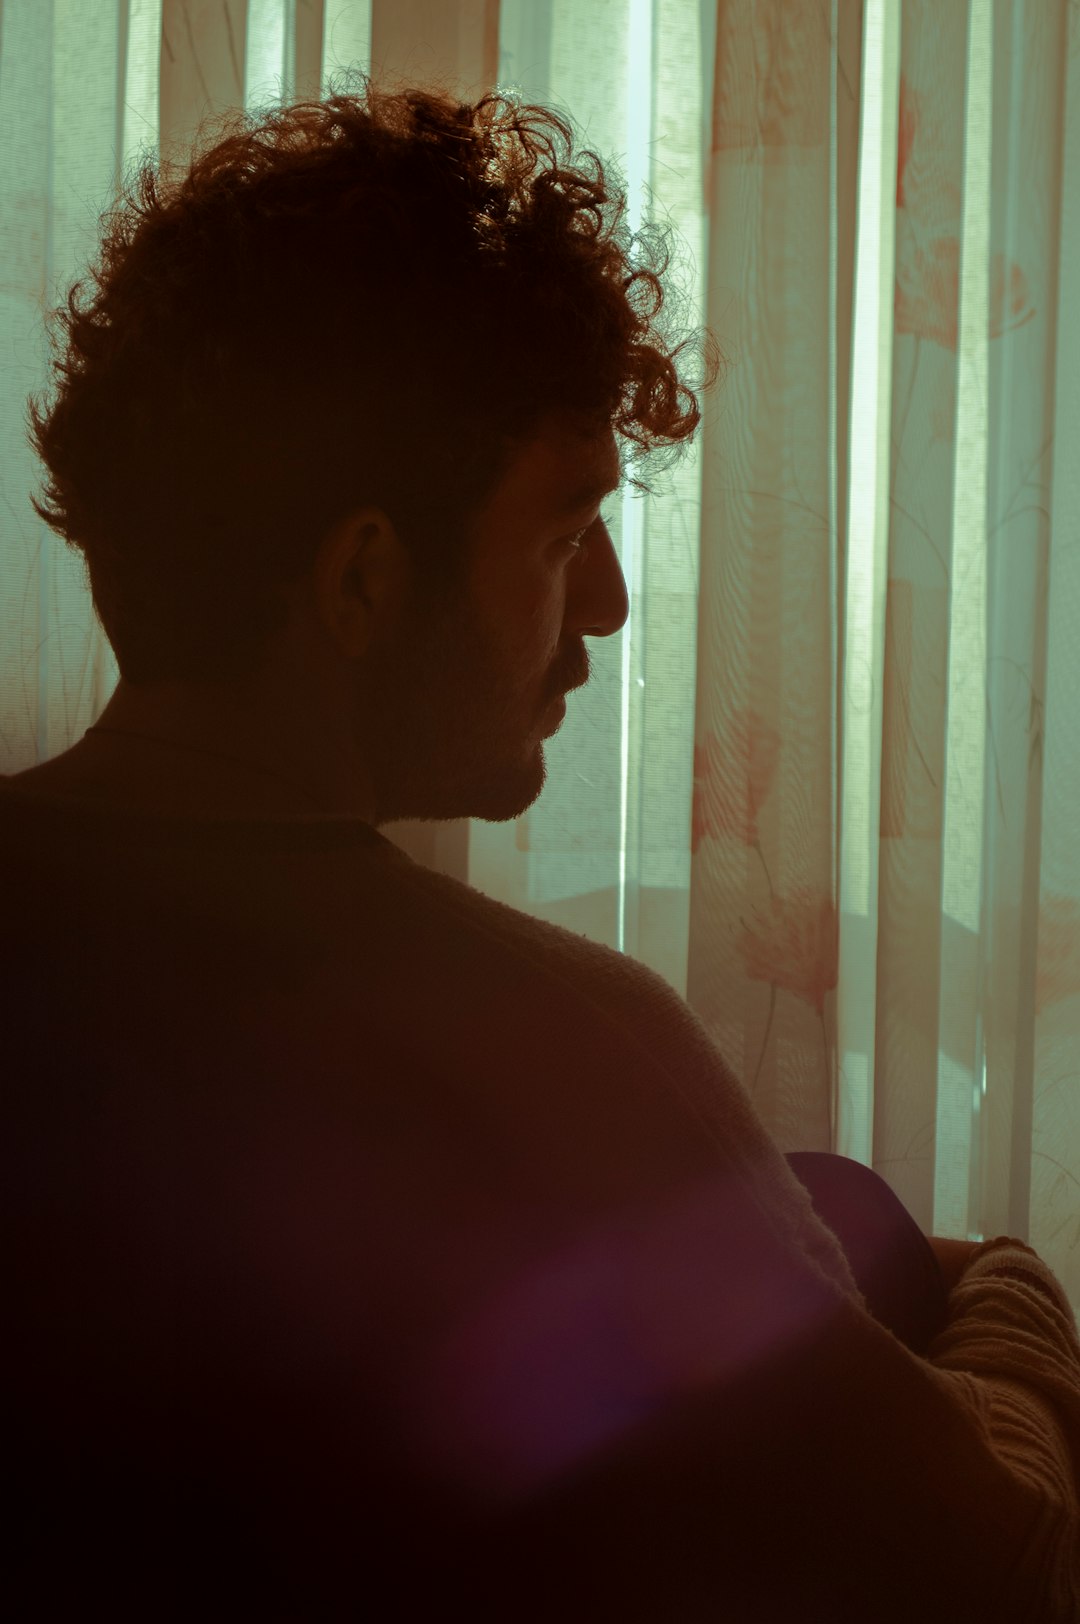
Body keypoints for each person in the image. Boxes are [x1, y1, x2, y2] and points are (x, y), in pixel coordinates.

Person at [2, 76, 1078, 1622]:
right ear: (365, 577)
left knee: (823, 1202)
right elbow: (1004, 1568)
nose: (611, 610)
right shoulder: (553, 1048)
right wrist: (1012, 1292)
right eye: (569, 531)